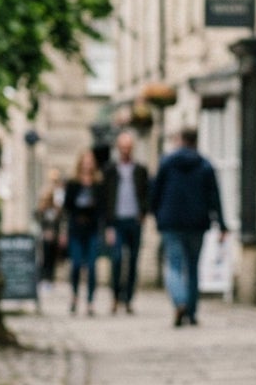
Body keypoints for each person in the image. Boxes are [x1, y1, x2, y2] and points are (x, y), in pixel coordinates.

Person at [150, 126, 225, 327]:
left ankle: (180, 301)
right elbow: (215, 197)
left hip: (171, 221)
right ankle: (191, 312)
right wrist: (222, 224)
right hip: (197, 223)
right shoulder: (205, 165)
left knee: (173, 265)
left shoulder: (166, 163)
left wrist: (156, 215)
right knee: (192, 267)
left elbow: (155, 192)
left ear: (181, 140)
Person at [103, 131, 150, 315]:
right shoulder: (110, 170)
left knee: (133, 262)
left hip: (134, 220)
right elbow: (105, 198)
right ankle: (115, 297)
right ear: (118, 148)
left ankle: (128, 299)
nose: (125, 150)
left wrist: (143, 212)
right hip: (116, 221)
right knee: (116, 259)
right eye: (122, 147)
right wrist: (108, 225)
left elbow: (147, 193)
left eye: (128, 147)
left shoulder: (140, 169)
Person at [63, 150, 104, 315]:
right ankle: (74, 296)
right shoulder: (73, 183)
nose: (87, 164)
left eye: (90, 161)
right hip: (76, 229)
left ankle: (90, 301)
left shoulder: (98, 184)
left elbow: (102, 208)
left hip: (92, 229)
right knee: (76, 264)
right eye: (85, 161)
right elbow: (67, 206)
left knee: (93, 266)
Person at [35, 168, 64, 285]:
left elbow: (60, 217)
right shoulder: (44, 202)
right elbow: (38, 216)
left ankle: (50, 278)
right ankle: (44, 278)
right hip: (45, 233)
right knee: (44, 256)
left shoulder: (59, 196)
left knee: (53, 256)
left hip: (55, 232)